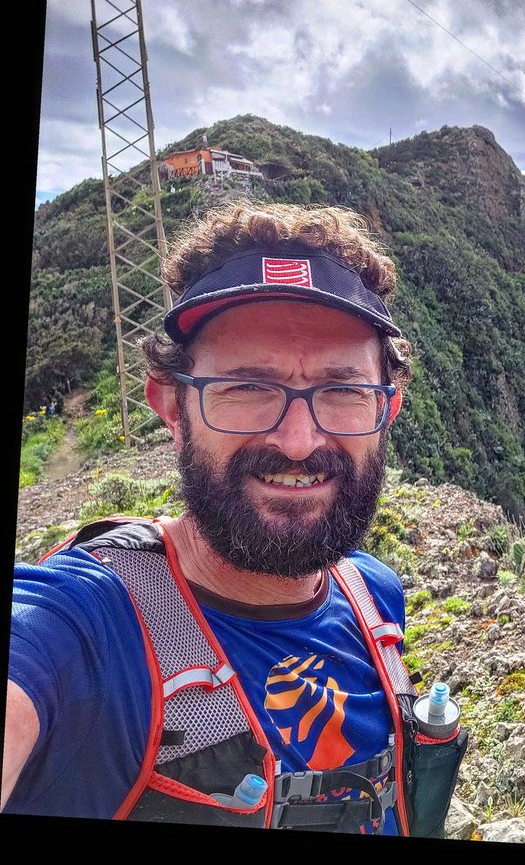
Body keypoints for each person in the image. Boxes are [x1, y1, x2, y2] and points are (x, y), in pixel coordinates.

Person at [4, 201, 463, 835]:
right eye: (247, 387)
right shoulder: (85, 630)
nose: (300, 441)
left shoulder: (375, 595)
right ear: (171, 405)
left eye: (343, 390)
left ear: (388, 408)